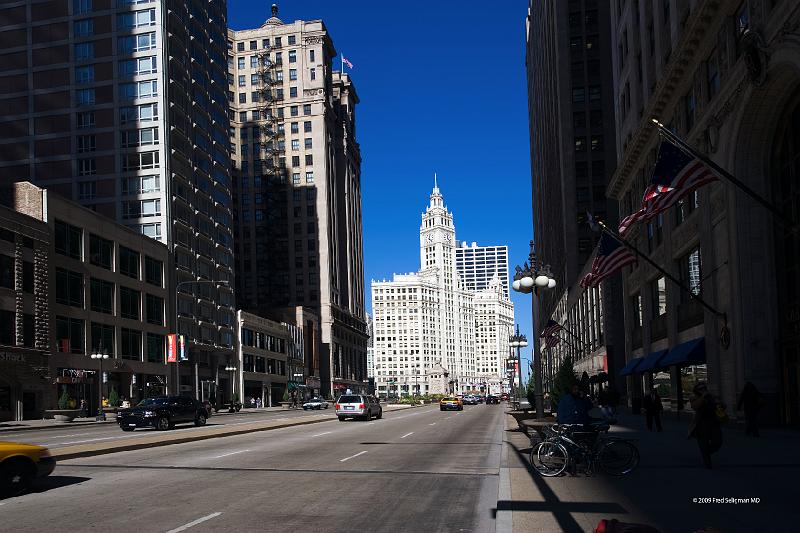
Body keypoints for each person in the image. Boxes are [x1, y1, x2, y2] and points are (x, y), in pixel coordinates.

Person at [688, 382, 722, 469]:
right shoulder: (694, 397)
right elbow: (695, 406)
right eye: (701, 389)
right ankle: (707, 463)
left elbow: (719, 404)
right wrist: (703, 397)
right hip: (701, 424)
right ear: (697, 390)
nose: (703, 390)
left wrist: (720, 405)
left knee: (718, 442)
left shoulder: (710, 396)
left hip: (713, 422)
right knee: (703, 443)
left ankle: (706, 452)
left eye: (704, 388)